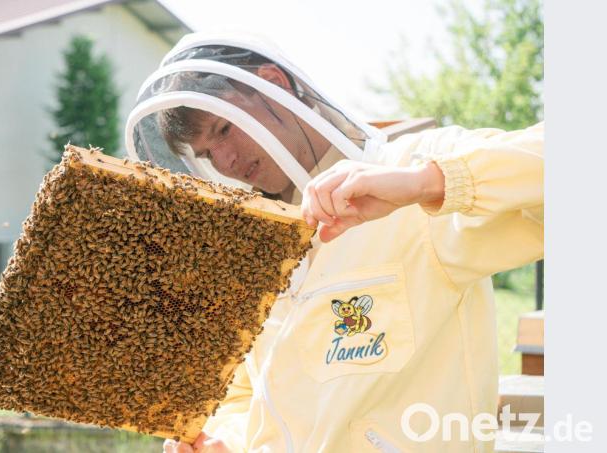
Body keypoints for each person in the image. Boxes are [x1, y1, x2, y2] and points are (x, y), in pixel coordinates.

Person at [125, 31, 544, 453]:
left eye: (224, 128)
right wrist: (226, 443)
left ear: (275, 83)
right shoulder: (253, 251)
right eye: (207, 154)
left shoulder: (411, 167)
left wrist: (429, 183)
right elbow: (246, 392)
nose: (226, 161)